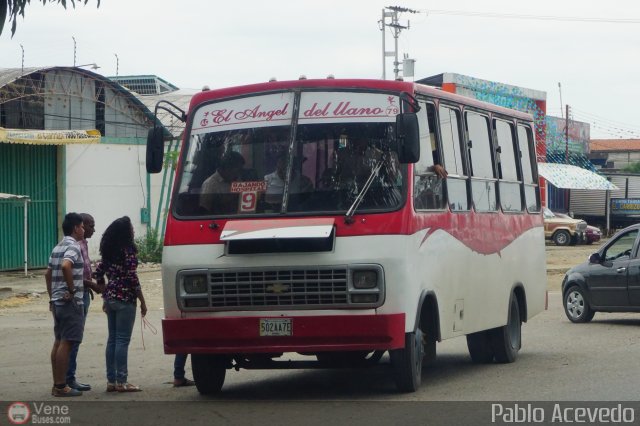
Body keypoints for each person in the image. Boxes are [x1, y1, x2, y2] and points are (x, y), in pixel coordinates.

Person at [94, 216, 147, 393]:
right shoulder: (128, 251)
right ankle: (122, 381)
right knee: (122, 340)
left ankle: (111, 381)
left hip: (111, 298)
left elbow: (99, 273)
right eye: (131, 227)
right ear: (126, 232)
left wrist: (104, 292)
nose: (133, 230)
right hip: (125, 299)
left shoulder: (109, 251)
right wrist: (142, 300)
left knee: (113, 339)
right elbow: (132, 277)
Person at [46, 212, 86, 397]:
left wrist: (51, 296)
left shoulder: (57, 247)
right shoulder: (73, 247)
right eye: (82, 227)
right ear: (76, 228)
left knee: (58, 341)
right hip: (69, 301)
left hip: (56, 301)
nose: (84, 230)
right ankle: (61, 386)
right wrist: (71, 290)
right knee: (67, 342)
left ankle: (57, 384)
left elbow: (48, 273)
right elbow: (66, 266)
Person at [65, 213, 103, 392]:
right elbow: (75, 274)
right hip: (78, 296)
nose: (92, 229)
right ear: (79, 227)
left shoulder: (84, 245)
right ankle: (68, 378)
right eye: (89, 225)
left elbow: (86, 271)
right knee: (72, 339)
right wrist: (93, 285)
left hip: (83, 294)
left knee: (69, 339)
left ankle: (66, 377)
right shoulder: (75, 247)